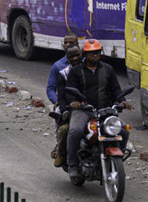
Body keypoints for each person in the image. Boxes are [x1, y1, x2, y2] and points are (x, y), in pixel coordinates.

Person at [65, 39, 131, 183]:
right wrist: (74, 102)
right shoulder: (76, 71)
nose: (95, 56)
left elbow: (116, 89)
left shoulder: (108, 69)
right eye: (91, 53)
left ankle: (117, 159)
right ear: (85, 55)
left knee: (124, 130)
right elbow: (70, 90)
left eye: (97, 53)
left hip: (105, 110)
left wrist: (122, 101)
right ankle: (73, 165)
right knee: (74, 130)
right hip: (84, 110)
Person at [53, 46, 83, 168]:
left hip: (89, 107)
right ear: (67, 58)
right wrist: (66, 109)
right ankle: (61, 151)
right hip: (72, 108)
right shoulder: (64, 73)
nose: (75, 58)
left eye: (77, 55)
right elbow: (62, 95)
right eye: (72, 56)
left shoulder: (90, 70)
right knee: (65, 129)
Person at [46, 33, 80, 106]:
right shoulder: (58, 66)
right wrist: (56, 101)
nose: (67, 45)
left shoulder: (85, 63)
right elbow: (51, 89)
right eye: (65, 43)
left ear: (77, 44)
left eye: (71, 42)